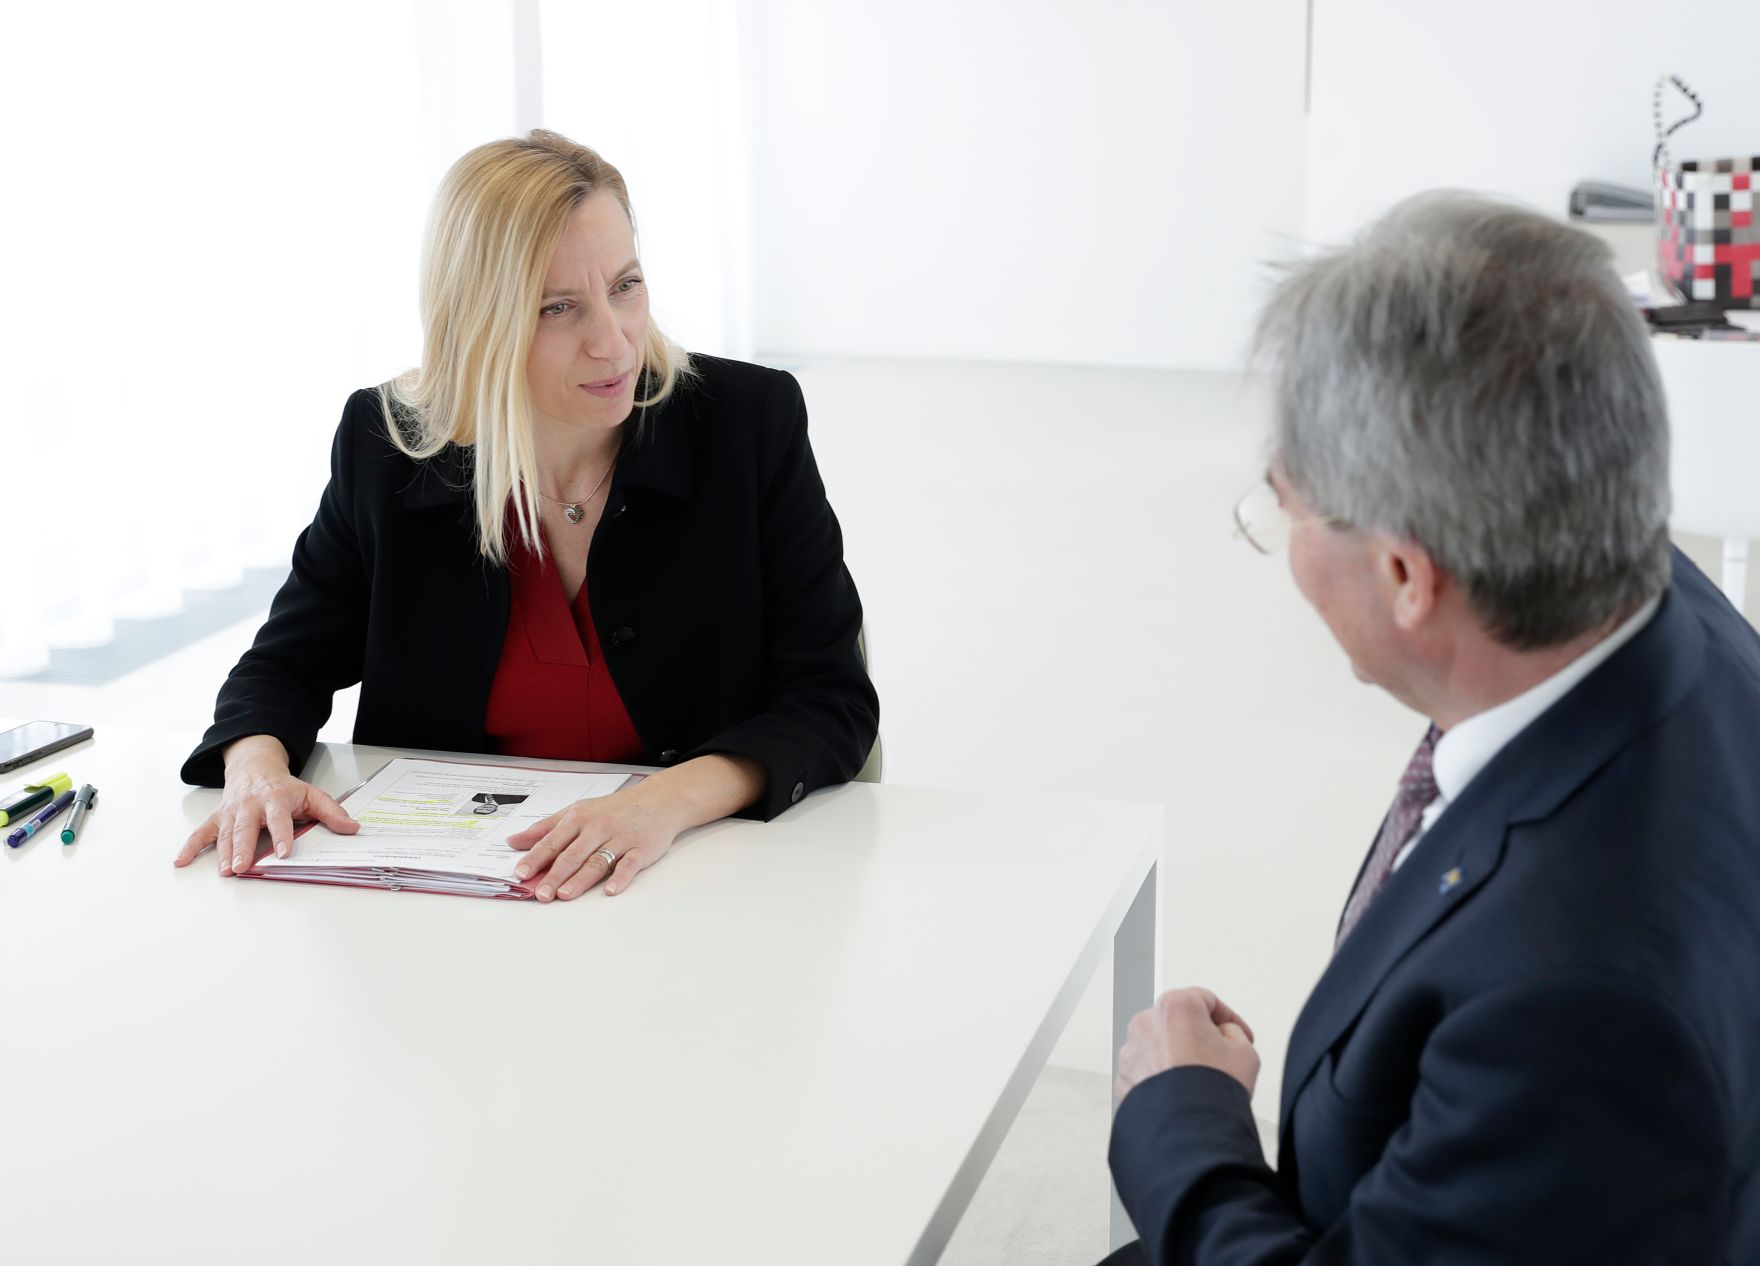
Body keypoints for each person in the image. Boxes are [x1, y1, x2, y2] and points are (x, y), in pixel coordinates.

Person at [1106, 195, 1760, 1263]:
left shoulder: (1571, 1007)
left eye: (1284, 504)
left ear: (1406, 575)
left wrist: (1180, 1116)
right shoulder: (1664, 612)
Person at [174, 130, 878, 902]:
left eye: (626, 286)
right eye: (558, 308)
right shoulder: (389, 446)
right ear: (477, 321)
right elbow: (286, 663)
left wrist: (663, 802)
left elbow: (831, 699)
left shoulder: (747, 423)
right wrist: (256, 770)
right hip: (455, 902)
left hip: (695, 887)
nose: (613, 344)